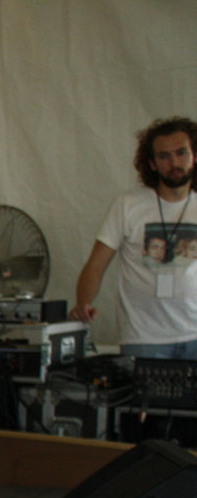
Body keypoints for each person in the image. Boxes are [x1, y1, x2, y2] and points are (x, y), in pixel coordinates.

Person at [70, 117, 197, 358]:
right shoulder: (128, 204)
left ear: (194, 156)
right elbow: (96, 265)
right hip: (144, 338)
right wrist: (83, 303)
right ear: (151, 163)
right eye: (164, 156)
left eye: (181, 153)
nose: (174, 162)